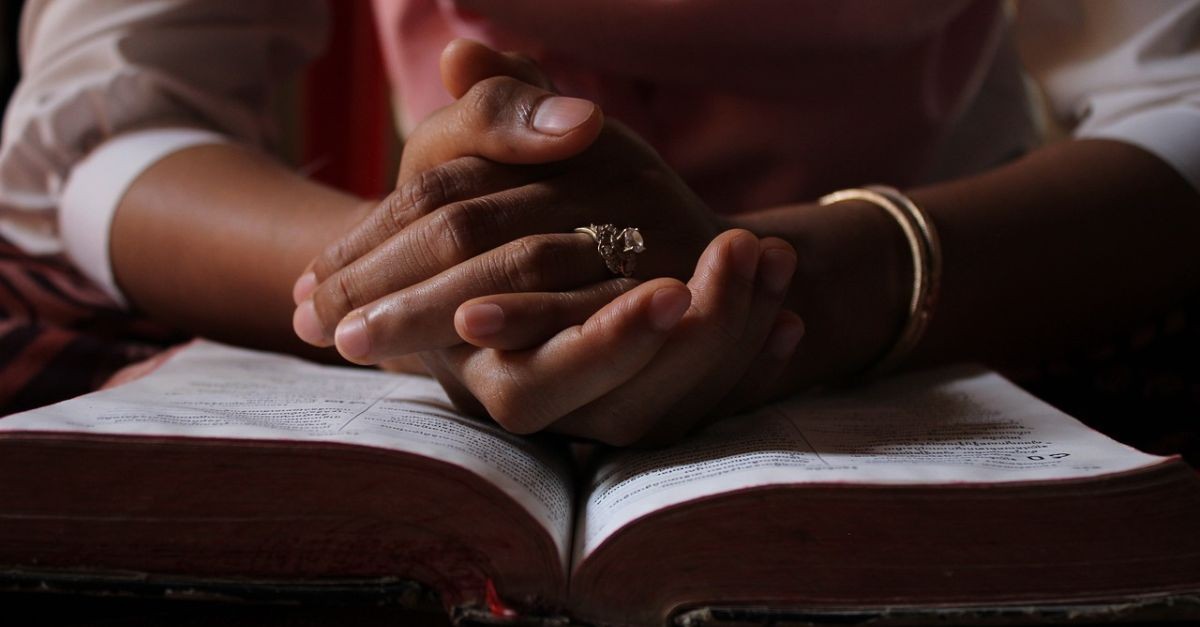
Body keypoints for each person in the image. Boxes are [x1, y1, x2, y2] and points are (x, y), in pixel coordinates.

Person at [1, 1, 1198, 446]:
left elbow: (1181, 103)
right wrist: (416, 267)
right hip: (425, 303)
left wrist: (806, 282)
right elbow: (102, 135)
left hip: (955, 280)